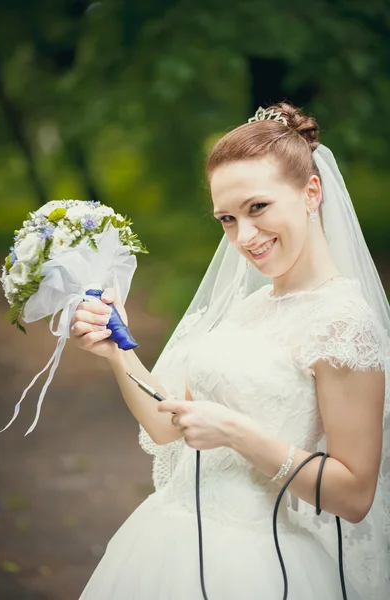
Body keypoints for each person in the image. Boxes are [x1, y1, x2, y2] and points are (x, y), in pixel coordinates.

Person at [70, 103, 390, 600]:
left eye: (258, 208)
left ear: (311, 192)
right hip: (166, 542)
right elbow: (165, 425)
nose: (244, 237)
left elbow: (353, 495)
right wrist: (118, 352)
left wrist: (237, 434)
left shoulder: (344, 324)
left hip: (255, 566)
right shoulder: (253, 306)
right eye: (227, 218)